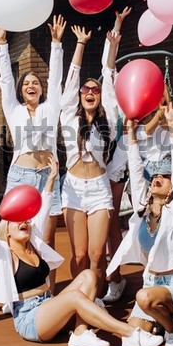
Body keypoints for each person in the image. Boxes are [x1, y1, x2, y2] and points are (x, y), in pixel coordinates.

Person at [0, 158, 155, 346]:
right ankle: (129, 332)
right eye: (18, 221)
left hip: (48, 306)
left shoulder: (33, 243)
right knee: (76, 298)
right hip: (30, 320)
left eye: (26, 219)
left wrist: (51, 179)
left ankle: (79, 332)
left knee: (88, 275)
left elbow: (44, 208)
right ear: (6, 231)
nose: (25, 223)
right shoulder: (1, 252)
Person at [106, 102, 173, 346]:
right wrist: (132, 137)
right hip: (151, 284)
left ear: (171, 187)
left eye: (164, 177)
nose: (157, 177)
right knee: (130, 344)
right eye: (155, 175)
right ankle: (156, 321)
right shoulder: (141, 211)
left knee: (144, 297)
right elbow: (136, 170)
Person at [0, 15, 66, 292]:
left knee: (46, 237)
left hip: (47, 176)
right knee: (10, 237)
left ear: (42, 88)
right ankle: (13, 292)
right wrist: (1, 44)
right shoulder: (14, 110)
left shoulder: (50, 108)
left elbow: (56, 77)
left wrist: (57, 44)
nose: (30, 85)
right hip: (20, 176)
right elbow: (6, 81)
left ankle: (49, 291)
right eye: (26, 84)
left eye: (35, 82)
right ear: (21, 92)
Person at [59, 25, 119, 299]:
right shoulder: (69, 118)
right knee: (80, 255)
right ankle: (78, 300)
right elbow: (71, 81)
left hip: (98, 189)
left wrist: (114, 44)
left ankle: (94, 301)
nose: (90, 91)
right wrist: (80, 44)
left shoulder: (109, 124)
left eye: (94, 89)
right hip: (72, 189)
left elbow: (109, 80)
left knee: (96, 256)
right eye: (86, 88)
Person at [102, 7, 132, 303]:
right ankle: (105, 275)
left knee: (110, 221)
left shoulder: (133, 109)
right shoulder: (109, 100)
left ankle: (115, 277)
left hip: (117, 169)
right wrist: (117, 27)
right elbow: (108, 68)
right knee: (101, 222)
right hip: (97, 167)